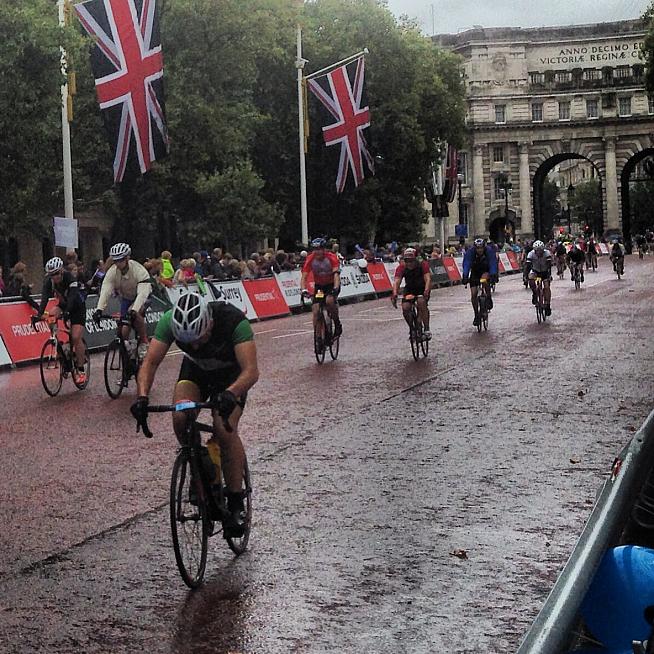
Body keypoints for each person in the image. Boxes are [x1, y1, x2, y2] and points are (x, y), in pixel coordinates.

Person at [131, 292, 259, 536]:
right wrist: (142, 397)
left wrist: (231, 394)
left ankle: (235, 501)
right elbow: (149, 363)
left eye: (200, 339)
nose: (196, 346)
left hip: (232, 378)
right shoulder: (169, 321)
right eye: (188, 342)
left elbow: (251, 371)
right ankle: (200, 465)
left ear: (209, 322)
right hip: (196, 372)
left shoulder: (233, 321)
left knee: (224, 428)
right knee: (180, 416)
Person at [32, 257, 88, 382]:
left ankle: (80, 370)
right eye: (52, 275)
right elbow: (45, 299)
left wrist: (68, 313)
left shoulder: (70, 278)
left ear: (62, 271)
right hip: (64, 305)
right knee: (50, 314)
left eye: (57, 273)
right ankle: (58, 345)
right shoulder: (49, 281)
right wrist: (39, 315)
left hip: (77, 307)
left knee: (75, 337)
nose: (55, 277)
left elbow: (73, 297)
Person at [93, 243, 152, 359]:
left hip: (143, 295)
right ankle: (128, 350)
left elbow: (142, 294)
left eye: (120, 260)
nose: (118, 263)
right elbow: (106, 290)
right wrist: (99, 309)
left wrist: (134, 310)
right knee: (122, 331)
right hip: (126, 297)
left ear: (127, 258)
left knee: (135, 313)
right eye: (115, 261)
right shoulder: (112, 271)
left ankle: (144, 342)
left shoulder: (138, 270)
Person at [300, 237, 342, 339]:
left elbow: (336, 274)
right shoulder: (310, 259)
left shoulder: (331, 257)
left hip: (332, 284)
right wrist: (303, 289)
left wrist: (336, 288)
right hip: (320, 287)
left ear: (324, 249)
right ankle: (318, 336)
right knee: (316, 309)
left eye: (319, 249)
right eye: (315, 249)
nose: (317, 252)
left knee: (329, 301)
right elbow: (304, 277)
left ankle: (337, 322)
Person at [391, 247, 432, 340]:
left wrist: (426, 290)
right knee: (405, 307)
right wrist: (394, 294)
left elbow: (428, 279)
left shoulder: (423, 264)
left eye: (411, 261)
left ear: (416, 259)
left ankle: (426, 329)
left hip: (422, 287)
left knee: (421, 302)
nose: (409, 263)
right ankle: (412, 328)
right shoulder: (401, 267)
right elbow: (397, 281)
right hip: (410, 289)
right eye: (407, 261)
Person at [462, 238, 498, 326]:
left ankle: (488, 297)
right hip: (475, 272)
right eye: (478, 248)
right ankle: (476, 314)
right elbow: (466, 264)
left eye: (481, 248)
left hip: (485, 270)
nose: (480, 250)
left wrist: (493, 274)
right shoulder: (470, 253)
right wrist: (465, 276)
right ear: (475, 248)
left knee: (484, 280)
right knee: (473, 294)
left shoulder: (489, 251)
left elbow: (493, 262)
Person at [525, 240, 553, 315]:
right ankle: (534, 293)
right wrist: (526, 276)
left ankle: (547, 304)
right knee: (531, 280)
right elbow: (527, 266)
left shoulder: (547, 253)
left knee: (546, 287)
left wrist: (549, 275)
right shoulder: (531, 254)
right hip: (535, 271)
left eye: (540, 250)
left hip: (544, 272)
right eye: (537, 251)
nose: (539, 252)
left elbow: (549, 265)